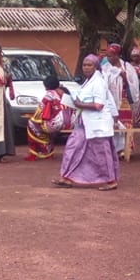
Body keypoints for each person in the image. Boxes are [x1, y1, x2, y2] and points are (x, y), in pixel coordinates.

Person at [54, 54, 119, 190]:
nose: (86, 67)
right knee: (73, 146)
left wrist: (79, 104)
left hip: (97, 124)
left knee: (101, 153)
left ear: (96, 67)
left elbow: (99, 105)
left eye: (89, 65)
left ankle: (110, 180)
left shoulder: (99, 83)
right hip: (84, 123)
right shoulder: (87, 82)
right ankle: (67, 177)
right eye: (84, 65)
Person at [101, 43, 139, 154]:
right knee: (111, 124)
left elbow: (134, 84)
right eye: (107, 56)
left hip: (124, 100)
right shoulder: (105, 68)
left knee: (125, 124)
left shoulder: (127, 67)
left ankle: (125, 149)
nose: (109, 58)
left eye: (111, 56)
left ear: (117, 55)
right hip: (110, 101)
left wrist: (125, 78)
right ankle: (112, 149)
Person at [26, 75, 70, 161]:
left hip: (56, 124)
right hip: (69, 123)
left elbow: (40, 109)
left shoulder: (49, 95)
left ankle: (35, 153)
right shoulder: (65, 92)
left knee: (32, 124)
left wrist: (33, 117)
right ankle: (48, 151)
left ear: (46, 86)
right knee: (44, 125)